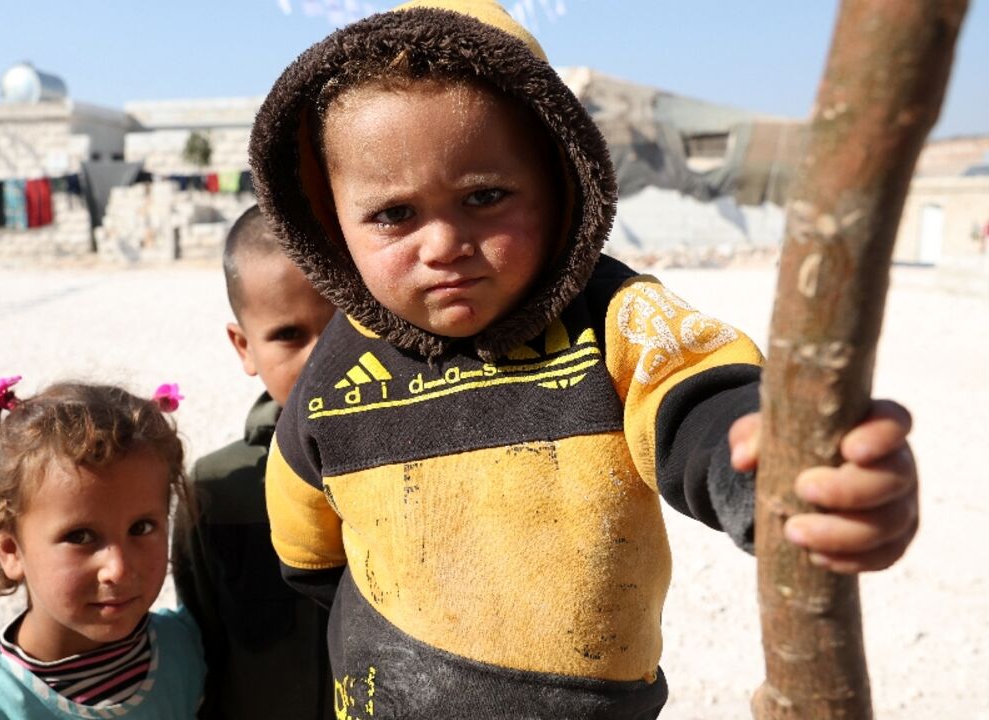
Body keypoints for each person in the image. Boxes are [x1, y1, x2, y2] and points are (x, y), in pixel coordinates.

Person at [248, 1, 921, 717]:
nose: (442, 244)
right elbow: (306, 546)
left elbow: (699, 400)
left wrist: (782, 471)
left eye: (484, 197)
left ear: (561, 183)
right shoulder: (337, 369)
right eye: (393, 215)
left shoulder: (614, 321)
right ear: (331, 220)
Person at [0, 379, 204, 719]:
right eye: (80, 537)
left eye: (142, 528)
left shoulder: (184, 650)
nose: (118, 568)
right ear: (10, 550)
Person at [172, 205, 338, 719]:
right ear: (244, 346)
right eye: (289, 335)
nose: (320, 358)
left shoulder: (414, 462)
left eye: (341, 328)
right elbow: (202, 640)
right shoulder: (217, 490)